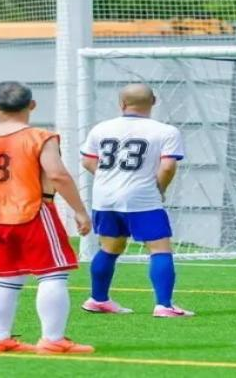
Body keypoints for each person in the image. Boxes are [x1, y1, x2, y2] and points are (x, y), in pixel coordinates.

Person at [0, 81, 94, 355]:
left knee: (8, 277)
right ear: (32, 105)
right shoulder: (41, 137)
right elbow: (57, 175)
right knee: (53, 274)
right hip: (32, 212)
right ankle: (53, 340)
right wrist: (79, 210)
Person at [79, 83, 192, 317]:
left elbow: (88, 161)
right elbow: (168, 166)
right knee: (160, 248)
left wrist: (111, 179)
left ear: (121, 103)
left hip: (105, 198)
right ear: (154, 102)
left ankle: (98, 299)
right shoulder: (165, 131)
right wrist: (159, 188)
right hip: (142, 198)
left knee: (110, 247)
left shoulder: (101, 128)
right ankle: (164, 305)